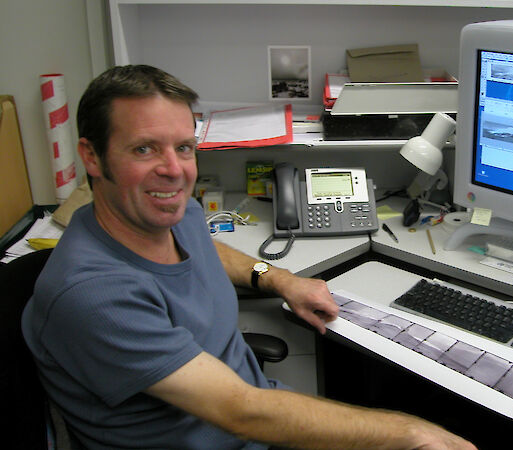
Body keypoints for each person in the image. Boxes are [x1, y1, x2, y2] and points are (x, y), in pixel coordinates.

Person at [22, 65, 475, 450]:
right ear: (92, 157)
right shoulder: (94, 294)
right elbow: (242, 412)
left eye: (183, 147)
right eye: (144, 149)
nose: (174, 170)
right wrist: (410, 434)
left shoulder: (166, 213)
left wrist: (276, 278)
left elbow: (203, 247)